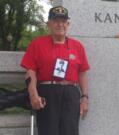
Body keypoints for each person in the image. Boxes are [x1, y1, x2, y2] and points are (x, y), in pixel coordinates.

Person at [20, 5, 90, 135]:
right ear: (49, 24)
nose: (60, 25)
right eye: (56, 21)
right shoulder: (37, 44)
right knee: (48, 131)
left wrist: (85, 98)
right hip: (47, 94)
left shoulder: (77, 46)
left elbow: (82, 73)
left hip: (71, 93)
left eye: (63, 21)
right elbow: (30, 72)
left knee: (70, 131)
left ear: (68, 24)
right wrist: (33, 95)